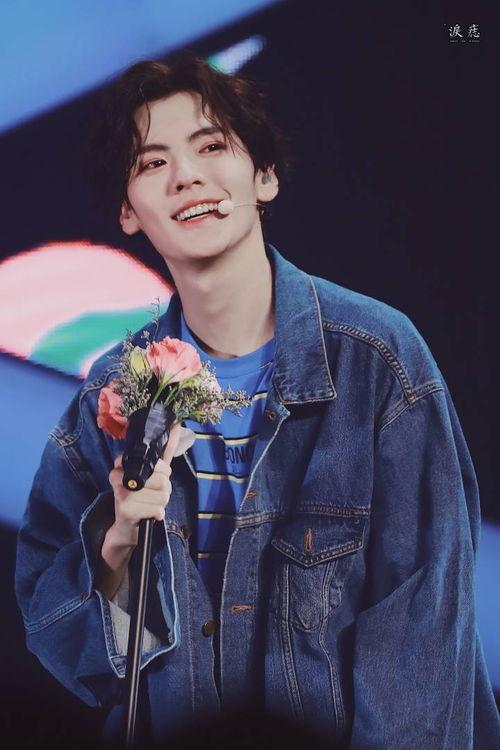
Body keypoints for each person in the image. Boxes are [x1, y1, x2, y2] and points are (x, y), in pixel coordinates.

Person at [15, 55, 500, 749]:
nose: (187, 176)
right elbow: (70, 647)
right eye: (153, 162)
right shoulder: (114, 393)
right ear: (127, 211)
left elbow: (424, 643)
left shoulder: (377, 361)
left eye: (211, 146)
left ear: (264, 176)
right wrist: (116, 541)